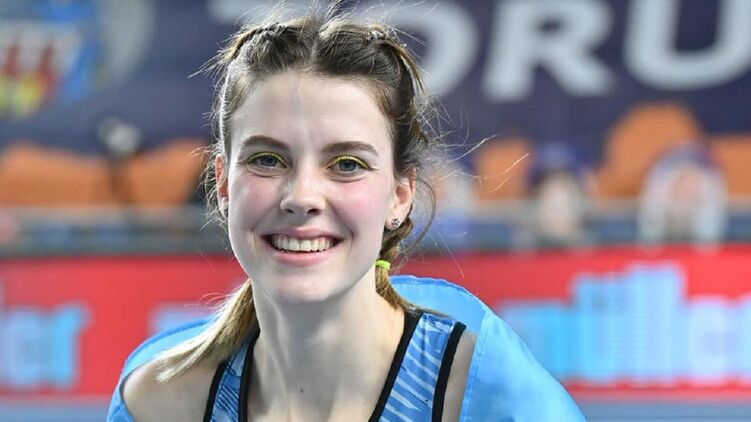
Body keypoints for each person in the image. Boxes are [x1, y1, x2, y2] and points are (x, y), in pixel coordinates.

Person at [107, 8, 584, 422]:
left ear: (400, 195)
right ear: (223, 183)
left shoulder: (484, 398)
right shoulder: (159, 405)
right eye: (268, 160)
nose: (302, 197)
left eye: (347, 164)